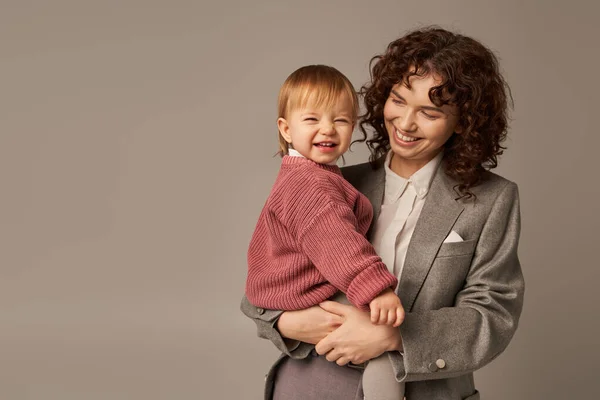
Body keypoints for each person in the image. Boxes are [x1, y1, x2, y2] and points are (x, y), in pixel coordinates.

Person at [241, 26, 525, 400]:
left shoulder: (493, 199)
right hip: (312, 384)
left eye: (430, 112)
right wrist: (292, 322)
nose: (406, 123)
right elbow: (267, 280)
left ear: (463, 121)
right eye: (399, 100)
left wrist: (395, 335)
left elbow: (493, 315)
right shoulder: (330, 184)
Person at [245, 64, 406, 400]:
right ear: (286, 129)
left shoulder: (313, 175)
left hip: (290, 291)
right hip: (296, 294)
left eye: (341, 120)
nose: (328, 130)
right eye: (312, 119)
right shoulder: (311, 183)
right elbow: (339, 245)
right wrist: (377, 290)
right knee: (374, 353)